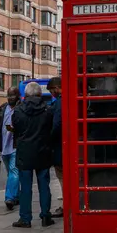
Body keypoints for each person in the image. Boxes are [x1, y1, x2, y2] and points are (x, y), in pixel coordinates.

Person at [12, 82, 54, 228]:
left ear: (26, 94)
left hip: (25, 153)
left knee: (25, 187)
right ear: (39, 94)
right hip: (43, 151)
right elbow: (51, 131)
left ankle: (25, 218)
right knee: (44, 185)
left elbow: (16, 130)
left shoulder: (18, 111)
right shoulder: (48, 110)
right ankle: (45, 216)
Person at [0, 87, 21, 211]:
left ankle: (9, 198)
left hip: (16, 145)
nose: (10, 98)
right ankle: (17, 196)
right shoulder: (2, 108)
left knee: (14, 172)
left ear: (18, 96)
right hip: (4, 146)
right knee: (11, 174)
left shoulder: (21, 108)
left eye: (12, 95)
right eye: (8, 95)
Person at [47, 77, 64, 218]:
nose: (52, 93)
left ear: (57, 88)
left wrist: (50, 138)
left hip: (61, 146)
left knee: (62, 177)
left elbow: (57, 124)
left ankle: (66, 205)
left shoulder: (59, 102)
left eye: (52, 90)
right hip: (69, 144)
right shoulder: (68, 99)